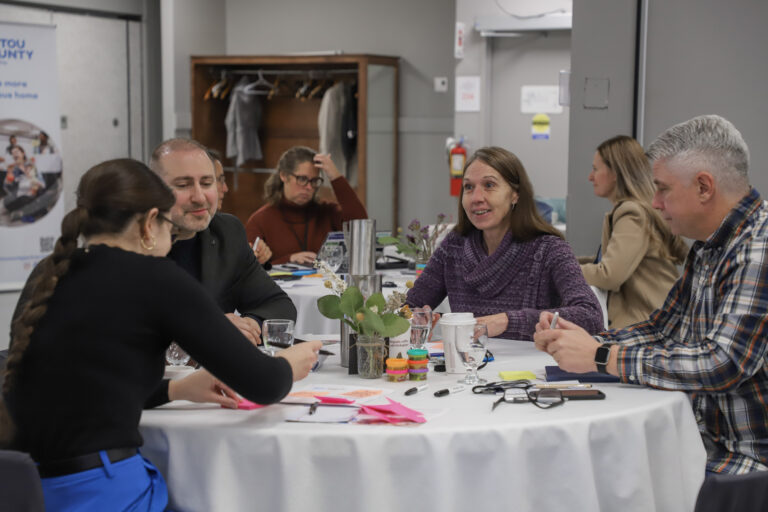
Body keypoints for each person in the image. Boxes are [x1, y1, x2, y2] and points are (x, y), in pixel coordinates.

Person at [0, 159, 321, 510]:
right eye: (170, 228)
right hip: (105, 488)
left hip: (29, 488)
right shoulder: (155, 277)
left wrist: (174, 389)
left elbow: (86, 385)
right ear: (150, 222)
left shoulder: (50, 273)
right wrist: (289, 364)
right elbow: (264, 384)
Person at [534, 115, 768, 474]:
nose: (655, 203)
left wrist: (601, 356)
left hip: (744, 460)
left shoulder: (758, 248)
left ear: (704, 187)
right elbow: (662, 328)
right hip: (700, 436)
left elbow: (723, 363)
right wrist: (587, 341)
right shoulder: (710, 247)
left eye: (663, 189)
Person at [406, 146, 604, 340]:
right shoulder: (454, 246)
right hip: (469, 361)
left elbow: (591, 316)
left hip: (533, 362)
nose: (476, 198)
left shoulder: (550, 249)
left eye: (489, 185)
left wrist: (508, 321)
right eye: (468, 187)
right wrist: (415, 318)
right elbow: (410, 306)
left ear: (515, 194)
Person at [149, 139, 296, 345]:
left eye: (207, 183)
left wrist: (248, 325)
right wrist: (211, 327)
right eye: (183, 185)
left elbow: (278, 305)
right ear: (153, 190)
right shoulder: (132, 241)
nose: (200, 197)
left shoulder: (226, 231)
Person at [580, 135, 688, 329]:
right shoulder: (633, 209)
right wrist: (565, 261)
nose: (590, 177)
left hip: (646, 325)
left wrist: (562, 270)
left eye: (595, 169)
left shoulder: (632, 213)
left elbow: (609, 275)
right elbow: (607, 260)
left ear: (615, 172)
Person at [245, 146, 367, 265]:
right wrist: (288, 260)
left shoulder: (326, 212)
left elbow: (362, 228)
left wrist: (335, 177)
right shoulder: (260, 220)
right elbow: (246, 268)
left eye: (314, 181)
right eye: (302, 179)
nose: (309, 187)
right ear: (283, 176)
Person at [207, 148, 272, 265]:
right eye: (220, 180)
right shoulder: (181, 234)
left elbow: (244, 269)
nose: (226, 188)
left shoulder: (230, 226)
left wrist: (254, 260)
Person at [3, 145, 43, 214]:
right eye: (12, 153)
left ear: (23, 153)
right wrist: (7, 182)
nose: (14, 155)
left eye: (16, 152)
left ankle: (29, 209)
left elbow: (41, 182)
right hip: (21, 195)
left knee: (39, 192)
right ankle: (31, 208)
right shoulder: (13, 169)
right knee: (7, 200)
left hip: (34, 193)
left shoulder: (32, 165)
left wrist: (35, 186)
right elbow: (7, 188)